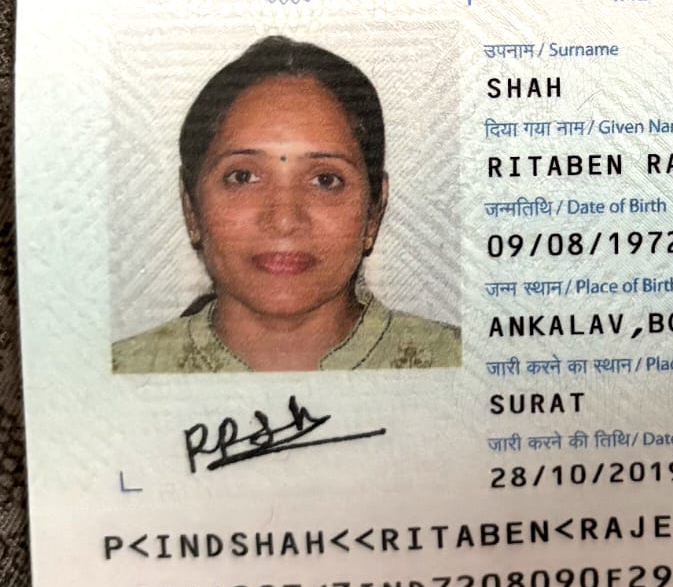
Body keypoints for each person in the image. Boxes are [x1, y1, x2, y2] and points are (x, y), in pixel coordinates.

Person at [113, 36, 461, 373]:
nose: (284, 220)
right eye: (243, 177)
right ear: (191, 208)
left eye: (325, 180)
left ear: (374, 211)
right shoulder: (121, 373)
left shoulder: (459, 364)